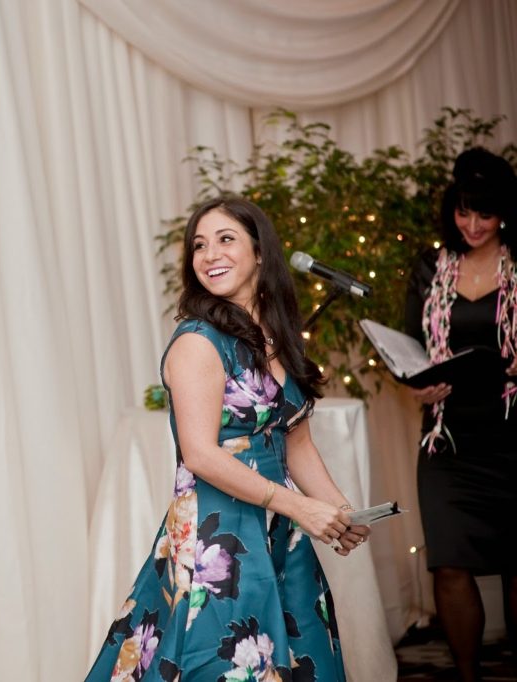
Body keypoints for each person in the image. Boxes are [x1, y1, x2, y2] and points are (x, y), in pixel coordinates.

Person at [86, 196, 370, 681]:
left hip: (283, 535)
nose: (209, 254)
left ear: (260, 253)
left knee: (306, 661)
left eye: (225, 240)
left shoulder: (280, 337)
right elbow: (200, 454)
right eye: (199, 245)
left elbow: (297, 444)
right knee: (224, 663)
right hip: (218, 541)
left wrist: (340, 512)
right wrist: (299, 506)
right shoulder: (198, 341)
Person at [404, 147, 517, 681]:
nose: (473, 225)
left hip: (513, 431)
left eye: (486, 214)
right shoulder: (430, 268)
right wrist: (417, 387)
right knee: (448, 561)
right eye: (463, 211)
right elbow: (411, 349)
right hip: (447, 439)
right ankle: (468, 677)